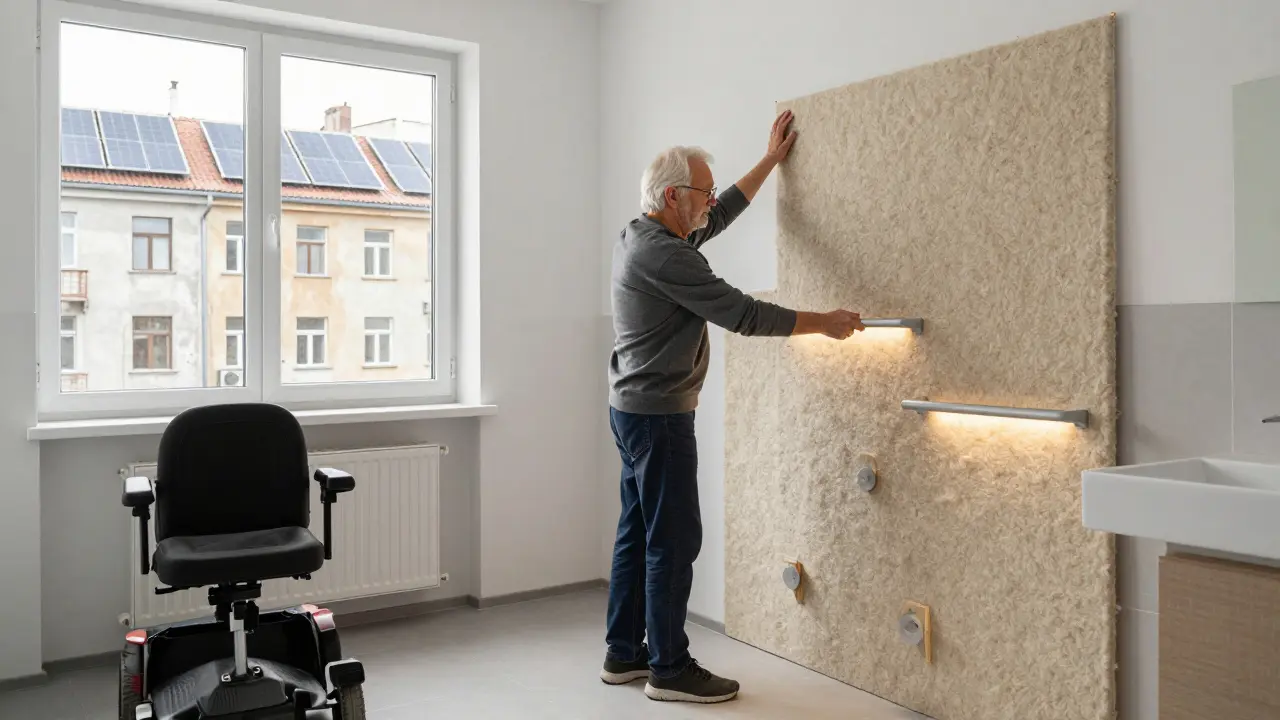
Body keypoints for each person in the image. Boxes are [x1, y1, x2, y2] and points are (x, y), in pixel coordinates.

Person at [601, 109, 865, 704]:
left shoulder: (644, 235)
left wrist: (771, 160)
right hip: (660, 416)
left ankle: (624, 654)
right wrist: (825, 323)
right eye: (701, 191)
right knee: (673, 538)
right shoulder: (667, 257)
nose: (709, 201)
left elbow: (718, 217)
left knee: (638, 532)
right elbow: (743, 313)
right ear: (673, 197)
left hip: (633, 409)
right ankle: (668, 668)